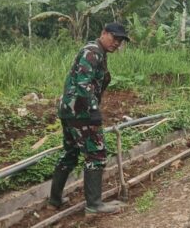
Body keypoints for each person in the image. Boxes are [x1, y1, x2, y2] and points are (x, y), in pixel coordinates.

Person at [48, 22, 130, 215]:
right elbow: (83, 83)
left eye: (120, 40)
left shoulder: (98, 52)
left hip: (70, 110)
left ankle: (54, 200)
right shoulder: (93, 52)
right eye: (114, 37)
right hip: (80, 112)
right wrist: (93, 110)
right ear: (103, 33)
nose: (116, 43)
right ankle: (94, 204)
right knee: (96, 154)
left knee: (70, 154)